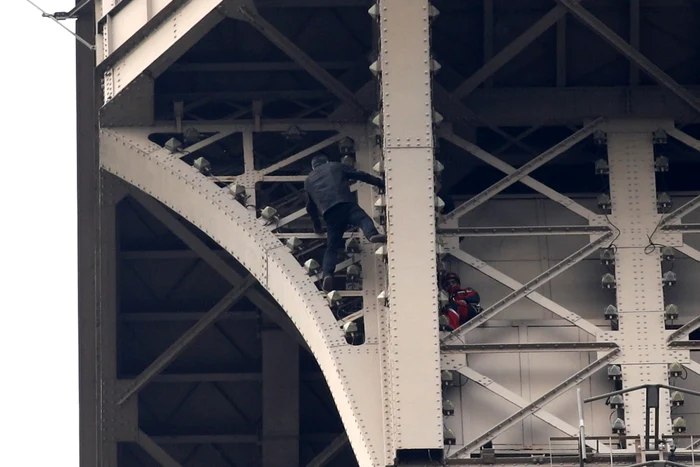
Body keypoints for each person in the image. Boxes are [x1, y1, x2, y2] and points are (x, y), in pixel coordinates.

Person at [305, 154, 387, 292]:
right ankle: (372, 235)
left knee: (332, 247)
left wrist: (317, 226)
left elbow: (310, 207)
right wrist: (380, 183)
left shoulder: (308, 181)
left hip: (329, 214)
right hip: (345, 204)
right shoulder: (335, 166)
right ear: (327, 161)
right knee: (362, 219)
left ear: (313, 167)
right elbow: (359, 175)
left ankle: (328, 274)